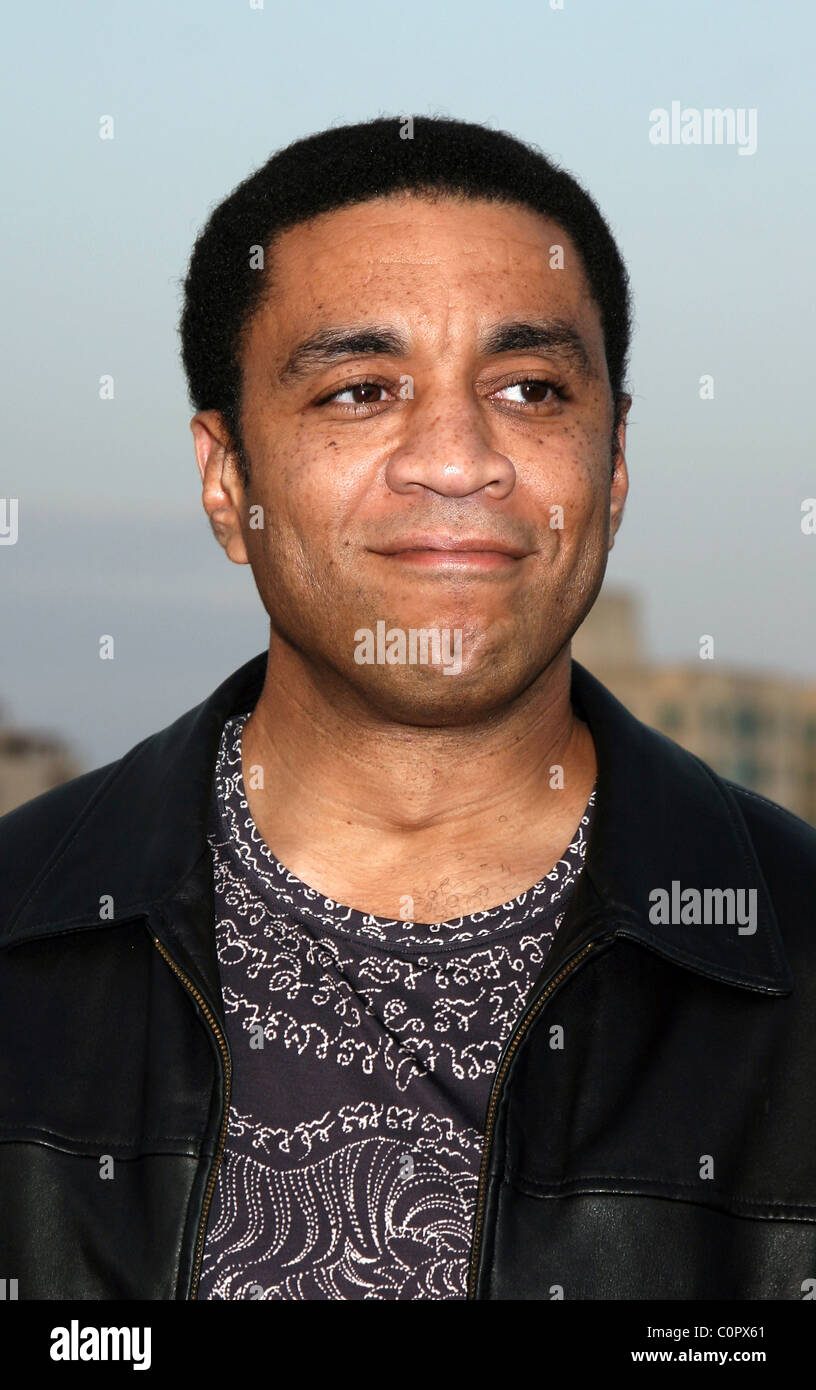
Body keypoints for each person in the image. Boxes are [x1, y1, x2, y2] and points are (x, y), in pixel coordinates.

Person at [1, 116, 814, 1301]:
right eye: (360, 390)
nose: (455, 456)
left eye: (531, 388)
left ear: (614, 466)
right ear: (228, 483)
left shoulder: (790, 956)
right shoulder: (23, 943)